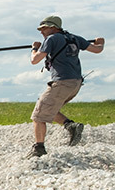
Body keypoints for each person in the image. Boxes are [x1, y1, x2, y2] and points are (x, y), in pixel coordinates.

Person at [28, 16, 105, 157]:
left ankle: (39, 149)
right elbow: (97, 50)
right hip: (75, 83)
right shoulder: (75, 38)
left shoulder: (51, 39)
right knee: (49, 108)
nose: (41, 31)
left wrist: (35, 48)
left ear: (53, 27)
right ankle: (71, 127)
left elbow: (34, 60)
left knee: (38, 115)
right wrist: (101, 43)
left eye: (44, 28)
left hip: (62, 82)